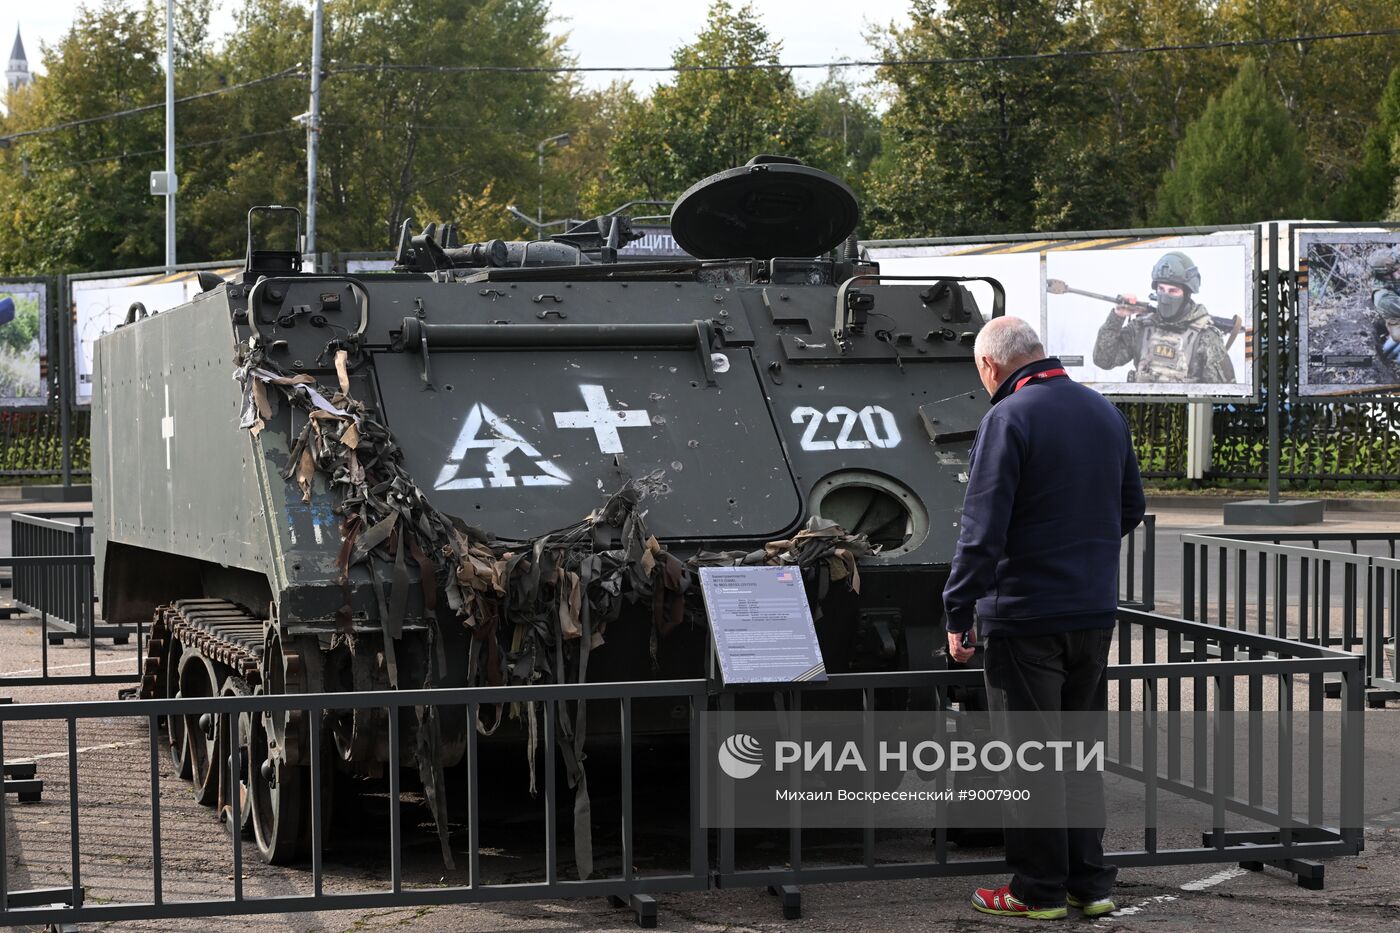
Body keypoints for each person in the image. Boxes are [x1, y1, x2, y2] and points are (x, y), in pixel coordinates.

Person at [943, 316, 1145, 920]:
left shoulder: (1009, 417)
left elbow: (982, 530)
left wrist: (959, 609)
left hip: (1025, 616)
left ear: (991, 366)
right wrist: (1079, 554)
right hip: (1091, 612)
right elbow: (1131, 504)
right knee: (1078, 756)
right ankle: (1091, 884)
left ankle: (1037, 891)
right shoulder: (1102, 410)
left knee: (1030, 758)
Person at [1092, 251, 1235, 383]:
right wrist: (1117, 317)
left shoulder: (1206, 337)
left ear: (1187, 293)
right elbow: (1103, 360)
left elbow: (1223, 392)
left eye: (1173, 291)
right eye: (1161, 289)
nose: (1166, 297)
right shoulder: (1141, 327)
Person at [1367, 245, 1400, 363]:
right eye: (1393, 272)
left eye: (1398, 269)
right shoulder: (1383, 298)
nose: (1397, 275)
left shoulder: (1392, 263)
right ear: (1382, 275)